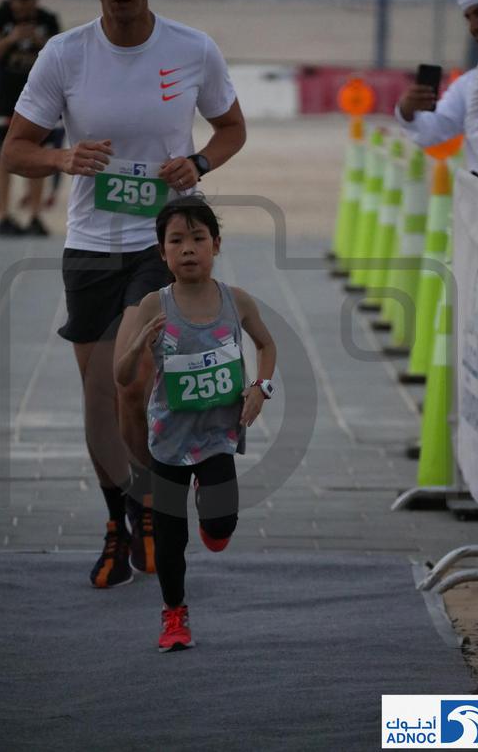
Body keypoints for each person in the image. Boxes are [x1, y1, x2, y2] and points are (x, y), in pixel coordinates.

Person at [1, 0, 246, 589]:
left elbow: (232, 128)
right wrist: (64, 156)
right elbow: (15, 151)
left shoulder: (193, 48)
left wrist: (198, 164)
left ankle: (156, 505)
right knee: (101, 398)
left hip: (158, 245)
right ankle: (122, 520)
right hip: (89, 246)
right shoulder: (65, 54)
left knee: (129, 378)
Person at [115, 195, 276, 652]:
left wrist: (260, 388)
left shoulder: (236, 301)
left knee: (220, 530)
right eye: (176, 241)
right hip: (168, 443)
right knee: (170, 536)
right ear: (162, 252)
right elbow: (122, 378)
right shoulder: (153, 305)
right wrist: (136, 347)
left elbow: (267, 346)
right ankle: (174, 614)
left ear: (216, 245)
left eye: (198, 238)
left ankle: (211, 509)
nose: (188, 248)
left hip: (218, 437)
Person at [395, 0, 478, 176]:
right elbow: (433, 131)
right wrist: (408, 110)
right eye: (469, 18)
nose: (474, 27)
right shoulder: (470, 84)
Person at [0, 0, 60, 235]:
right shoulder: (2, 16)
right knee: (3, 154)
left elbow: (61, 54)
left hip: (41, 97)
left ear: (35, 3)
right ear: (13, 4)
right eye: (19, 10)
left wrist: (39, 41)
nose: (24, 14)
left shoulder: (47, 19)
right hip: (7, 97)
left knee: (39, 153)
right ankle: (3, 214)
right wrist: (12, 39)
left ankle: (35, 214)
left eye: (28, 9)